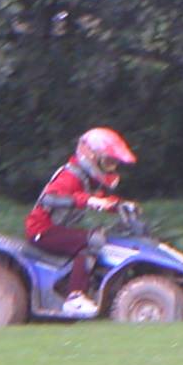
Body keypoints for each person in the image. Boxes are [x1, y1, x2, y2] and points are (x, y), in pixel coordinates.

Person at [25, 127, 137, 317]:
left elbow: (98, 198)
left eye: (113, 164)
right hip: (41, 230)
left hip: (56, 229)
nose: (111, 168)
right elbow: (50, 199)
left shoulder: (85, 179)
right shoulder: (70, 176)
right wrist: (87, 200)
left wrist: (119, 205)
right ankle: (75, 297)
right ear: (91, 156)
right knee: (92, 241)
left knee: (105, 238)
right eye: (108, 162)